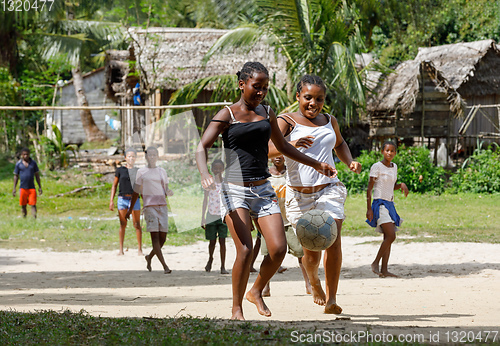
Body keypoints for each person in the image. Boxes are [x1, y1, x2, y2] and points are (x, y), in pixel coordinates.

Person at [196, 62, 335, 320]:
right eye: (256, 87)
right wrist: (205, 174)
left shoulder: (268, 112)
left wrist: (317, 164)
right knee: (246, 250)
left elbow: (282, 146)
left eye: (265, 88)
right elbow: (201, 147)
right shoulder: (228, 114)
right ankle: (237, 308)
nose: (261, 92)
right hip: (234, 189)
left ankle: (256, 290)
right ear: (242, 84)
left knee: (279, 249)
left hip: (262, 187)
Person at [268, 74, 362, 315]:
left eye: (319, 99)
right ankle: (314, 280)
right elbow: (267, 149)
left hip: (329, 189)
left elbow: (339, 144)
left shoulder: (330, 120)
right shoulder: (285, 121)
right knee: (311, 253)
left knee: (333, 239)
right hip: (299, 197)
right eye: (308, 97)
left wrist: (349, 161)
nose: (313, 103)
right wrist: (292, 146)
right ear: (298, 96)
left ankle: (332, 299)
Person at [261, 155, 312, 297]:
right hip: (269, 220)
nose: (277, 157)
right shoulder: (265, 174)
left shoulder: (291, 173)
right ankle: (265, 286)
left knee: (300, 252)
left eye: (280, 154)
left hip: (289, 219)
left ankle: (308, 284)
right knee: (268, 254)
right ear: (270, 157)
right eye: (274, 155)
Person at [126, 146, 173, 274]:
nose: (152, 157)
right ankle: (165, 266)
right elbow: (136, 192)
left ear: (157, 156)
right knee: (155, 238)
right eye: (149, 155)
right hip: (149, 207)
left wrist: (169, 192)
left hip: (162, 206)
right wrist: (130, 210)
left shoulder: (162, 171)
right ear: (146, 157)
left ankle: (149, 257)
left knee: (163, 238)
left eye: (154, 155)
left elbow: (166, 188)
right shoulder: (141, 172)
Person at [366, 140, 409, 278]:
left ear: (395, 153)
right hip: (380, 204)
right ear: (382, 152)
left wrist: (401, 185)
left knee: (387, 237)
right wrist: (369, 209)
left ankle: (384, 270)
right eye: (387, 150)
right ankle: (375, 262)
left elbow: (392, 186)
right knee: (391, 235)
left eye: (392, 151)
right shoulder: (376, 167)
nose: (389, 153)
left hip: (390, 205)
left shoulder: (394, 167)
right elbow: (369, 189)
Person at [109, 148, 143, 256]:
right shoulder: (120, 170)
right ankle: (121, 249)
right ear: (125, 158)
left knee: (137, 224)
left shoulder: (138, 171)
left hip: (135, 199)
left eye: (133, 156)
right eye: (129, 156)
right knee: (122, 224)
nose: (131, 158)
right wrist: (111, 201)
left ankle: (139, 249)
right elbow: (114, 185)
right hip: (122, 199)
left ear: (136, 158)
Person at [201, 159, 229, 274]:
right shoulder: (209, 183)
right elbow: (205, 200)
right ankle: (210, 259)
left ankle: (223, 266)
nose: (217, 170)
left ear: (223, 170)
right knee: (212, 242)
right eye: (215, 168)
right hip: (211, 215)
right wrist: (203, 217)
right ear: (212, 169)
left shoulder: (226, 184)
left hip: (223, 216)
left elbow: (229, 200)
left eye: (219, 168)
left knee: (222, 241)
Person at [12, 148, 42, 218]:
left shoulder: (33, 163)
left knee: (33, 204)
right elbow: (16, 176)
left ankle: (34, 218)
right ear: (22, 155)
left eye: (27, 154)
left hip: (32, 188)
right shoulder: (18, 164)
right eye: (24, 154)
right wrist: (14, 188)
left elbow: (37, 175)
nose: (25, 156)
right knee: (23, 205)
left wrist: (40, 187)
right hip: (23, 188)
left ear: (29, 154)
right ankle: (24, 218)